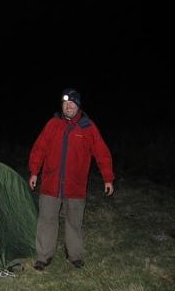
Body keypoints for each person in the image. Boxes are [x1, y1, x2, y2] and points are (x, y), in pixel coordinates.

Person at [28, 88, 114, 270]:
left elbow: (102, 153)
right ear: (62, 106)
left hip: (76, 186)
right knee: (46, 219)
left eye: (72, 104)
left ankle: (74, 254)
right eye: (65, 104)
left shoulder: (87, 127)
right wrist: (34, 172)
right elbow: (39, 148)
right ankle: (44, 256)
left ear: (78, 106)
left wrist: (108, 178)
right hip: (51, 184)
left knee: (74, 222)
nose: (68, 107)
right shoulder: (53, 124)